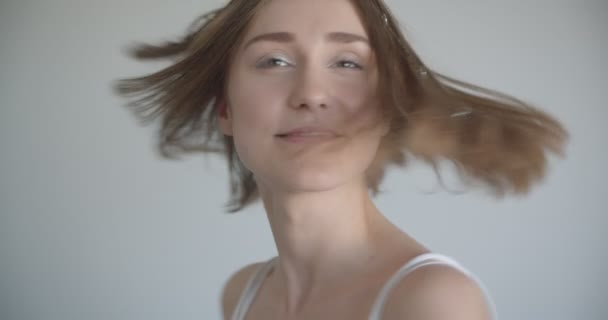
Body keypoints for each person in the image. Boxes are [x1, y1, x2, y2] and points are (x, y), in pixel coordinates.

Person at [116, 0, 567, 319]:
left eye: (348, 63)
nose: (311, 94)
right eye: (273, 60)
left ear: (387, 105)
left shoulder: (431, 304)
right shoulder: (240, 296)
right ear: (226, 108)